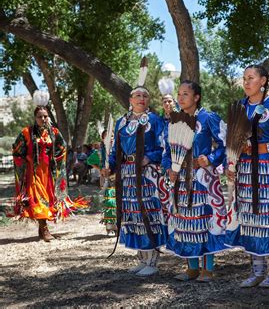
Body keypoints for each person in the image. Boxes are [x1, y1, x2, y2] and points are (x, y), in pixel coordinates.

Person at [225, 64, 269, 288]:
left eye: (251, 78)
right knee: (250, 220)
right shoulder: (240, 107)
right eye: (244, 78)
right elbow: (232, 140)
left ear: (263, 81)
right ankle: (256, 271)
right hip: (245, 169)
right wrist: (231, 163)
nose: (246, 82)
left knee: (268, 219)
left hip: (267, 168)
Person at [103, 59, 168, 277]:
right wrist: (110, 167)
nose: (141, 98)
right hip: (127, 174)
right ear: (130, 100)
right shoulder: (122, 123)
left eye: (145, 96)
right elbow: (114, 151)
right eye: (137, 95)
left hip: (147, 175)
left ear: (148, 101)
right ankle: (141, 258)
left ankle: (153, 260)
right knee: (132, 215)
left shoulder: (155, 120)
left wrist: (149, 158)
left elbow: (164, 147)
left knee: (148, 213)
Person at [163, 80, 227, 282]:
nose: (180, 98)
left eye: (185, 94)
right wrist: (169, 168)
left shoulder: (208, 118)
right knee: (185, 221)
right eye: (179, 94)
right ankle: (191, 267)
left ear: (196, 97)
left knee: (204, 220)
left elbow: (225, 144)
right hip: (181, 180)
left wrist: (210, 159)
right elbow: (166, 151)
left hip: (202, 179)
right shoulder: (174, 121)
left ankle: (207, 269)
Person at [11, 91, 88, 242]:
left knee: (47, 198)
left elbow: (63, 147)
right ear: (35, 118)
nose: (43, 119)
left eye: (45, 116)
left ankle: (42, 229)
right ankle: (45, 230)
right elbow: (16, 149)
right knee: (38, 200)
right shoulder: (27, 132)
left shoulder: (54, 132)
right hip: (33, 172)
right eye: (40, 116)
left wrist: (57, 161)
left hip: (49, 173)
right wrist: (25, 162)